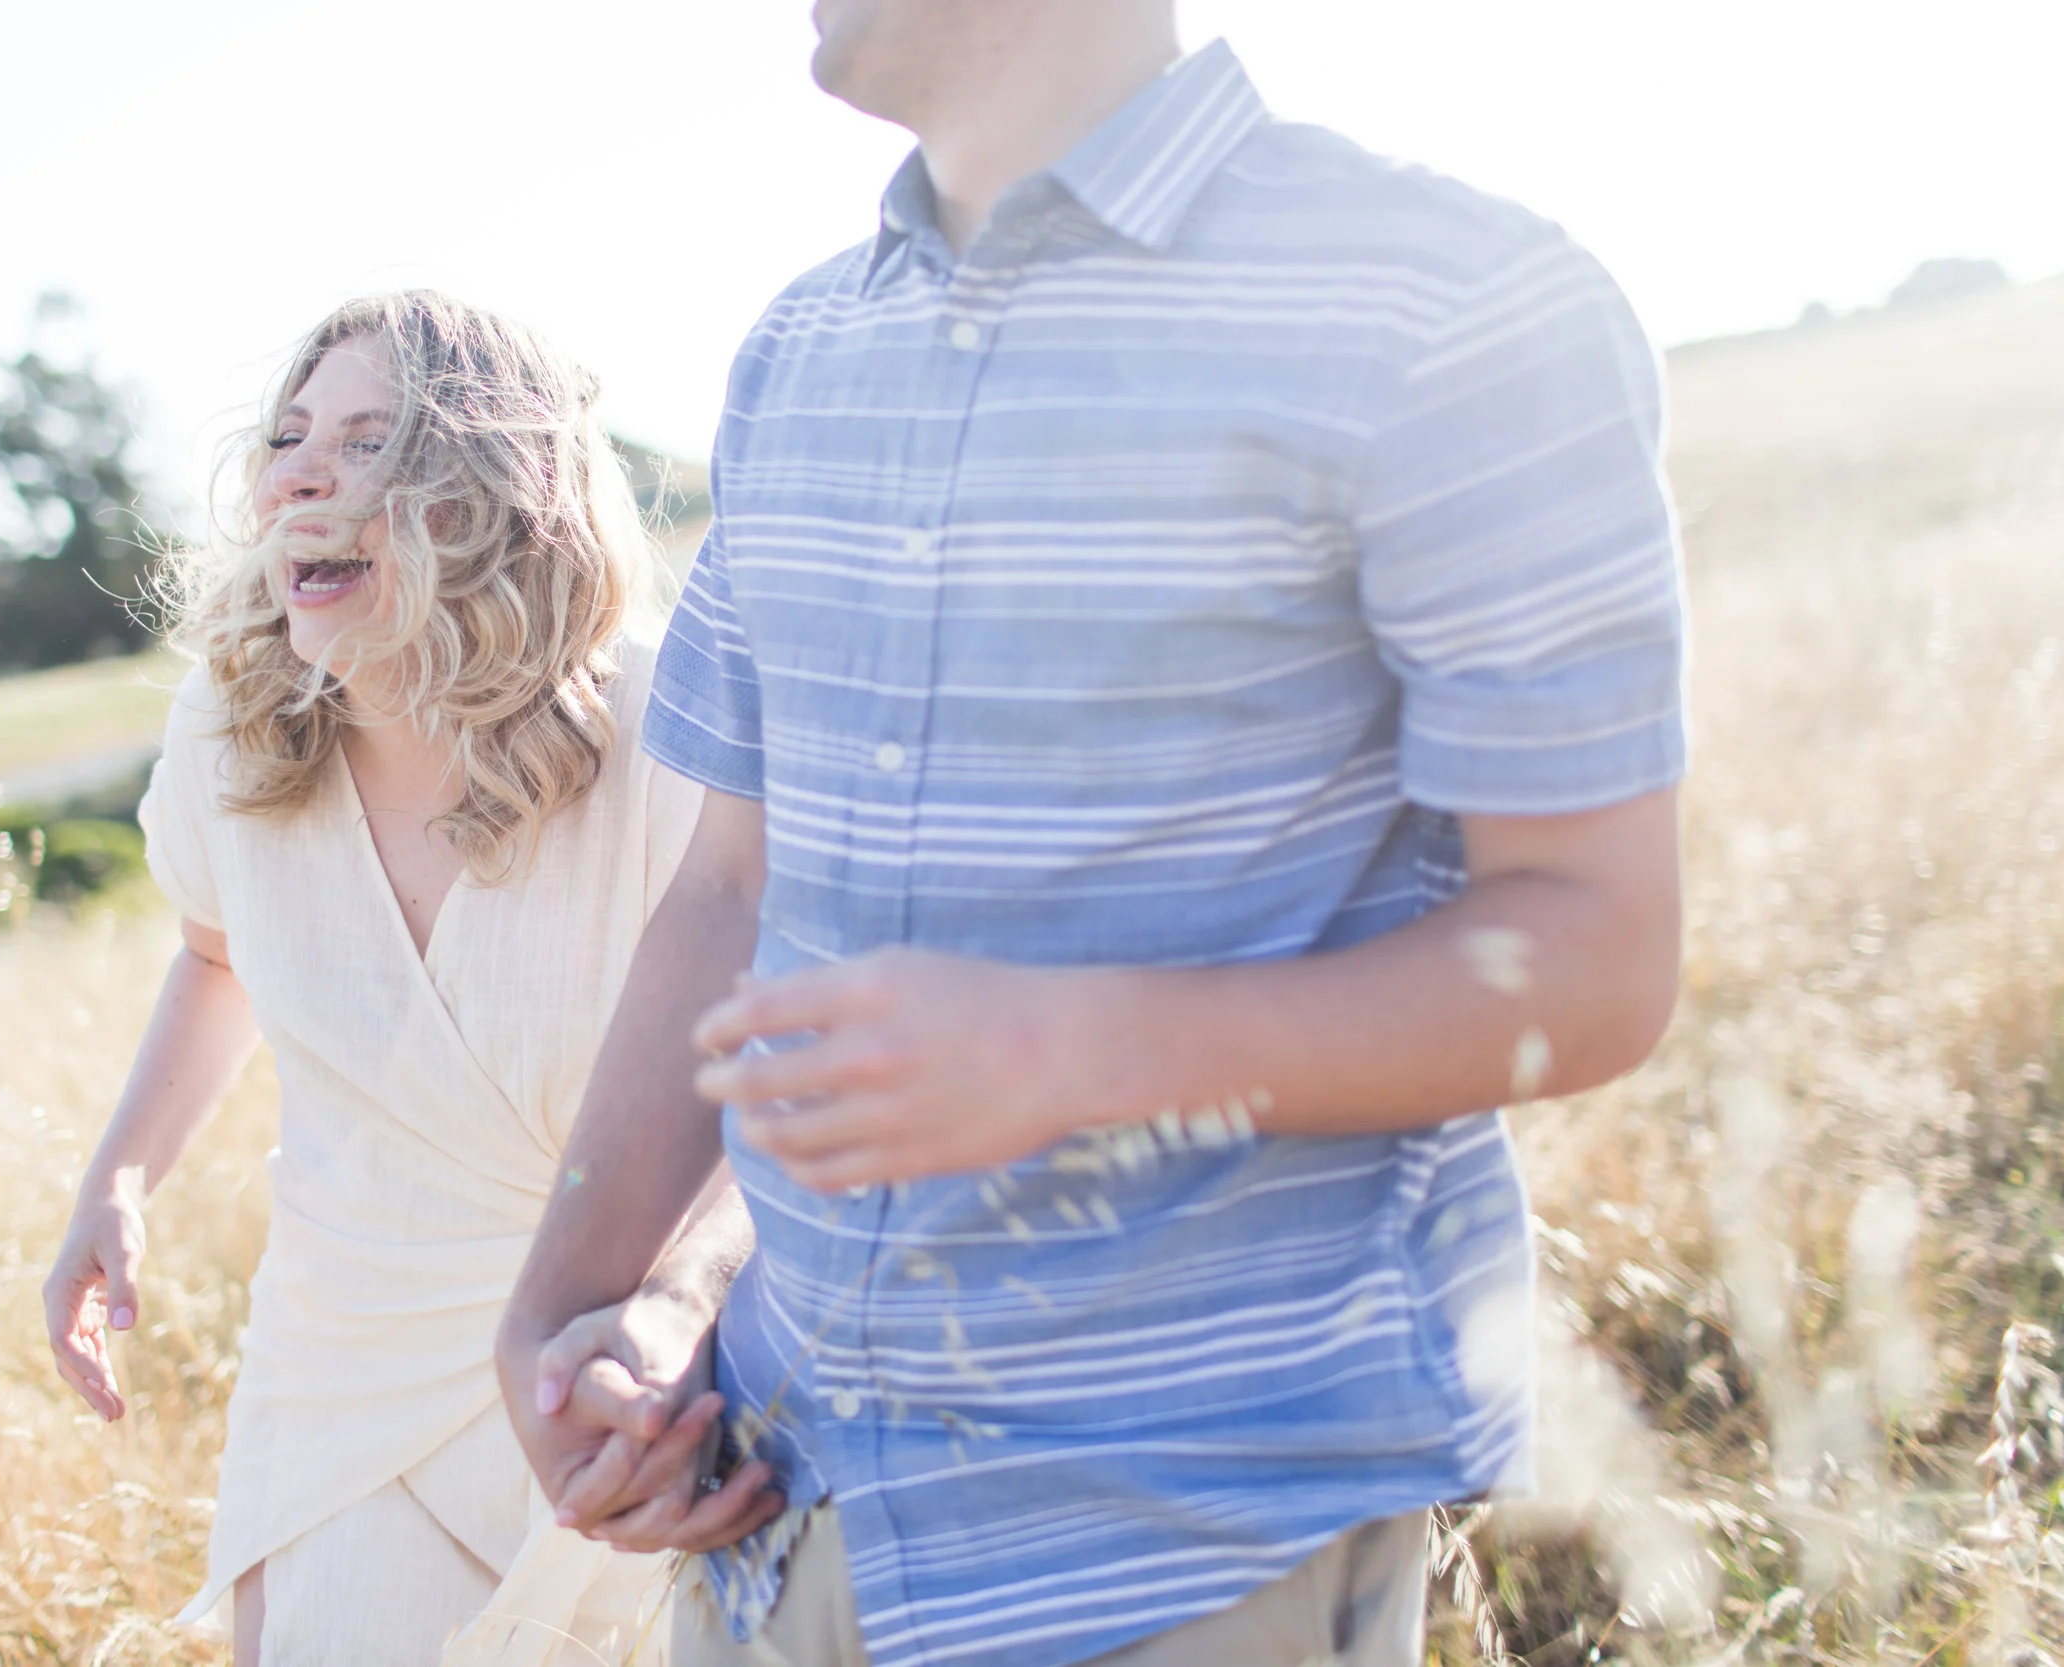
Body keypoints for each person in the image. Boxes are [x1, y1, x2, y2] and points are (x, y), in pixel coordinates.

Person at [496, 3, 1689, 1665]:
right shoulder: (796, 357)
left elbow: (1600, 953)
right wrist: (572, 1297)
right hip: (774, 1510)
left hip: (1180, 1542)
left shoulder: (1453, 301)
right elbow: (729, 889)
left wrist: (1073, 1049)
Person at [40, 290, 711, 1665]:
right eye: (288, 439)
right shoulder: (232, 735)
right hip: (342, 1368)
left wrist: (681, 1310)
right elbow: (214, 956)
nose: (299, 475)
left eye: (367, 441)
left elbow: (774, 1084)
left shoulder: (671, 732)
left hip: (630, 1371)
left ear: (502, 491)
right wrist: (118, 1181)